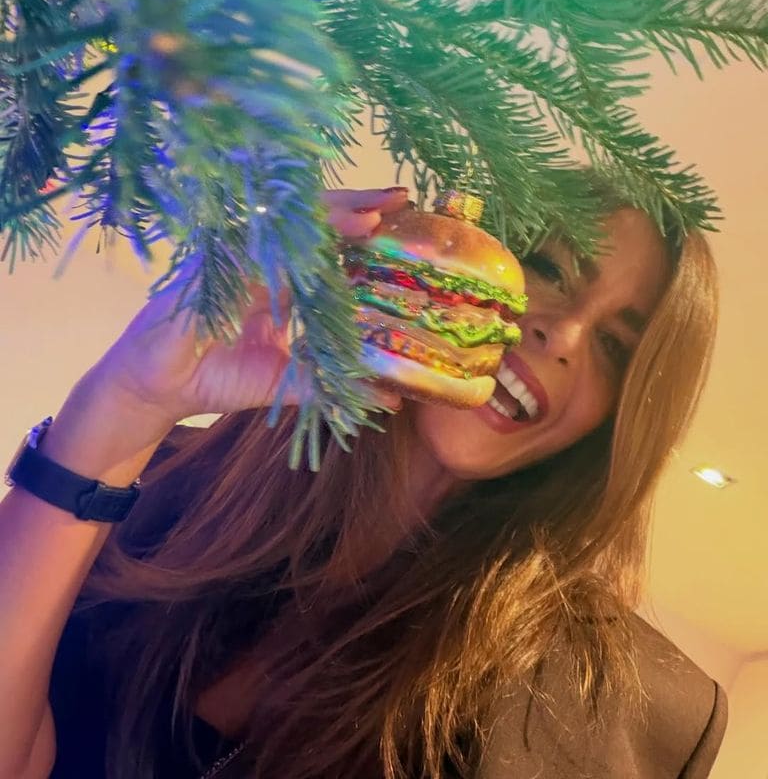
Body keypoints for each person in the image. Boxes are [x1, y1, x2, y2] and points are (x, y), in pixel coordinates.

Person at [0, 181, 726, 779]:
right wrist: (127, 399)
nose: (561, 337)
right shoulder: (145, 484)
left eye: (614, 344)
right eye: (550, 268)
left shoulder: (640, 714)